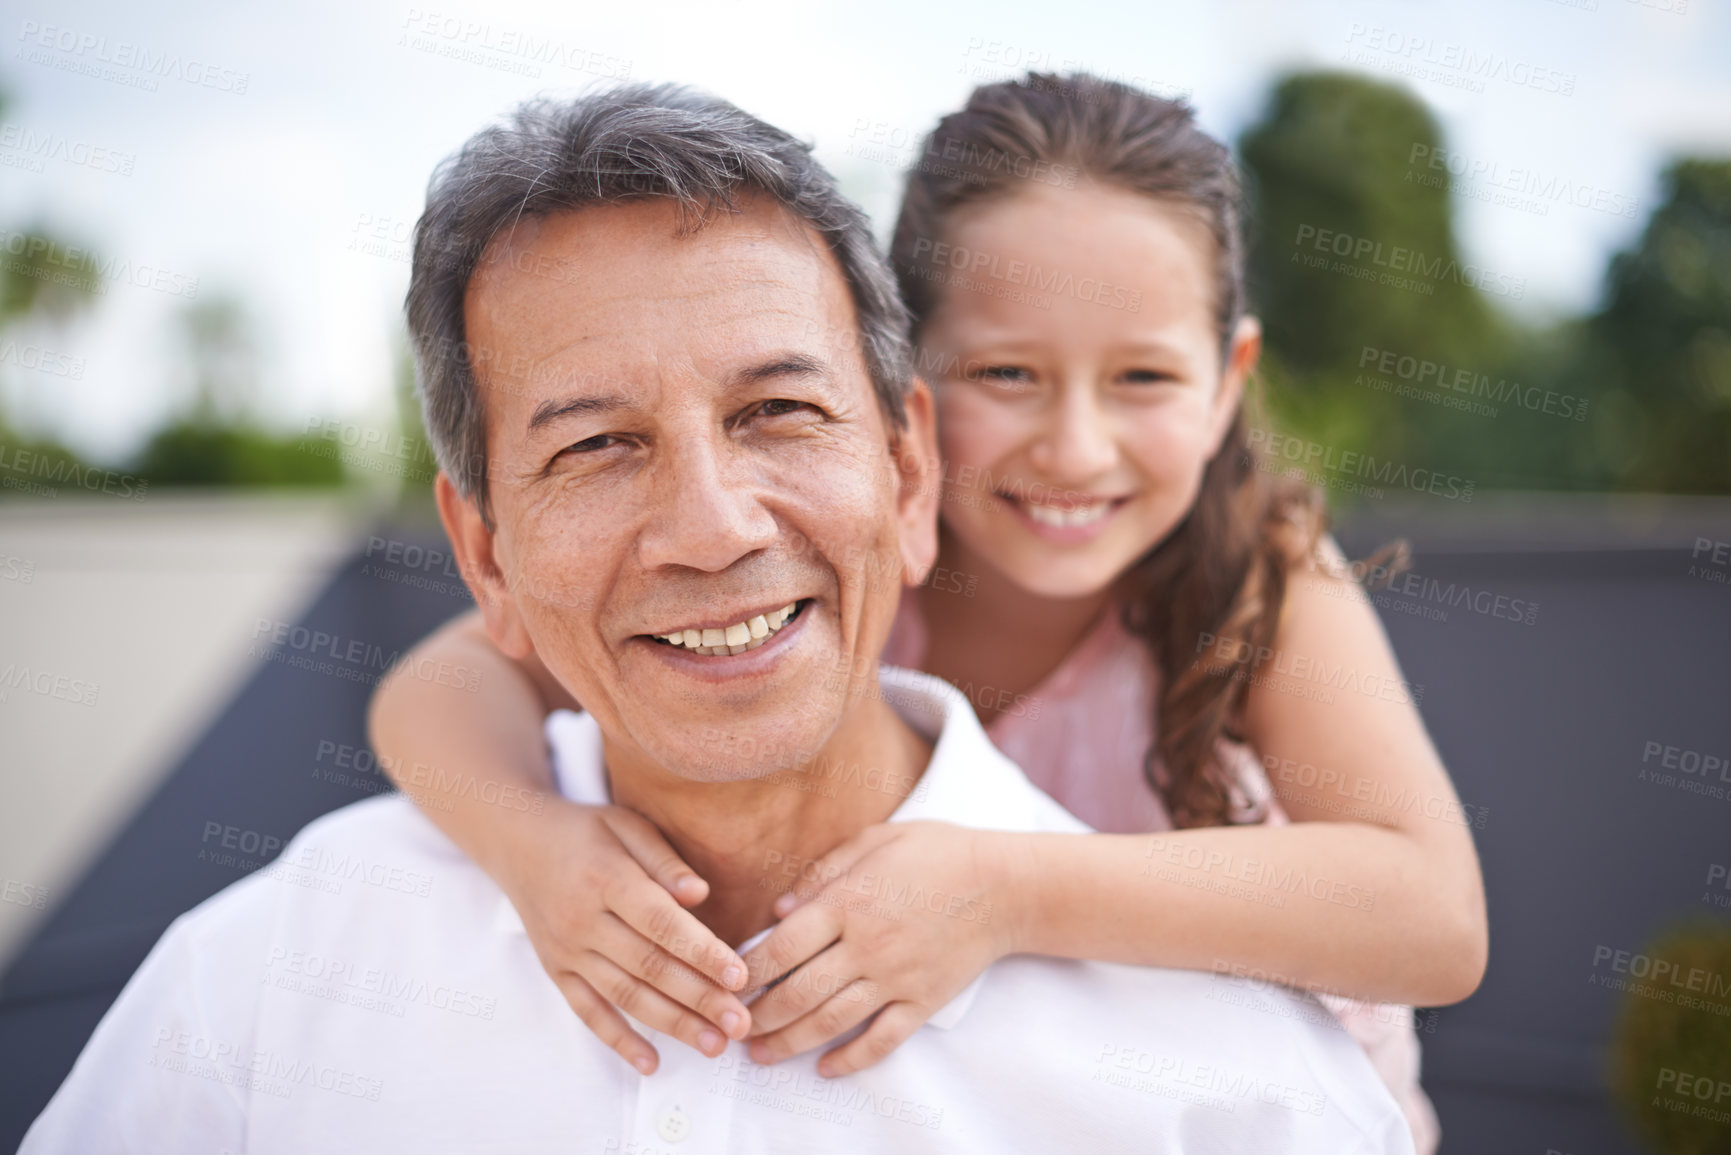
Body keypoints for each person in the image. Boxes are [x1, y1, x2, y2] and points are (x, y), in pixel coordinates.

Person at [22, 82, 1416, 1153]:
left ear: (906, 470)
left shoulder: (1239, 1082)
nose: (713, 529)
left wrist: (1006, 892)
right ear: (483, 556)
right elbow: (437, 698)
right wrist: (531, 847)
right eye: (596, 447)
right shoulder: (269, 984)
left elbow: (1429, 910)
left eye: (779, 412)